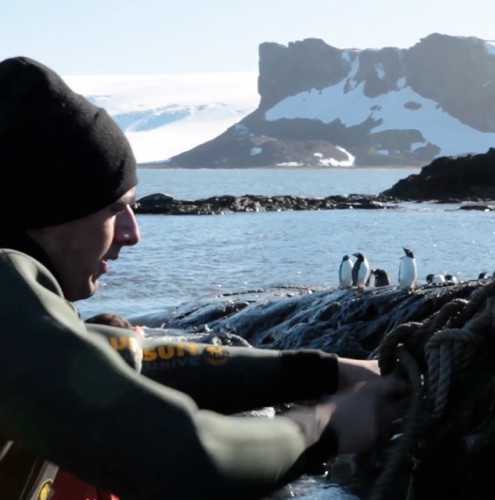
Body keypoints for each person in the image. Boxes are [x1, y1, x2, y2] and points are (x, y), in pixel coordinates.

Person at [0, 56, 409, 500]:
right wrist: (324, 429)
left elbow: (121, 362)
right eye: (116, 209)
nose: (132, 234)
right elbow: (181, 457)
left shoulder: (24, 329)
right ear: (49, 210)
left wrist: (326, 371)